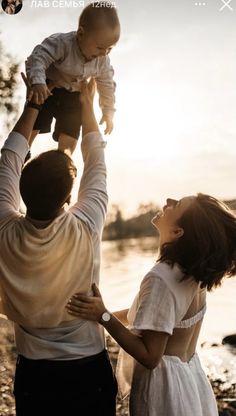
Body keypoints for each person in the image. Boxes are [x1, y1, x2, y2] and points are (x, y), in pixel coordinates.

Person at [0, 75, 117, 416]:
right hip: (88, 371)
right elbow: (96, 157)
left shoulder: (5, 229)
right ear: (70, 197)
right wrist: (87, 103)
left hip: (35, 375)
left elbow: (8, 158)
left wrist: (34, 106)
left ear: (21, 191)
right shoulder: (85, 225)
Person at [67, 195, 236, 416]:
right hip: (190, 381)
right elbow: (147, 318)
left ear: (178, 232)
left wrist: (104, 317)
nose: (169, 200)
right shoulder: (194, 275)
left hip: (164, 391)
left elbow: (150, 356)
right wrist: (96, 314)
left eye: (177, 205)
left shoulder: (161, 278)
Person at [25, 1, 120, 155]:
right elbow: (38, 57)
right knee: (35, 122)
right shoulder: (62, 44)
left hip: (73, 96)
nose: (104, 53)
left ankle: (63, 160)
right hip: (48, 88)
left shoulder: (102, 61)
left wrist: (108, 111)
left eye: (109, 49)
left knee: (71, 132)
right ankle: (23, 150)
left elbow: (107, 85)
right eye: (100, 47)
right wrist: (37, 81)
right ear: (81, 34)